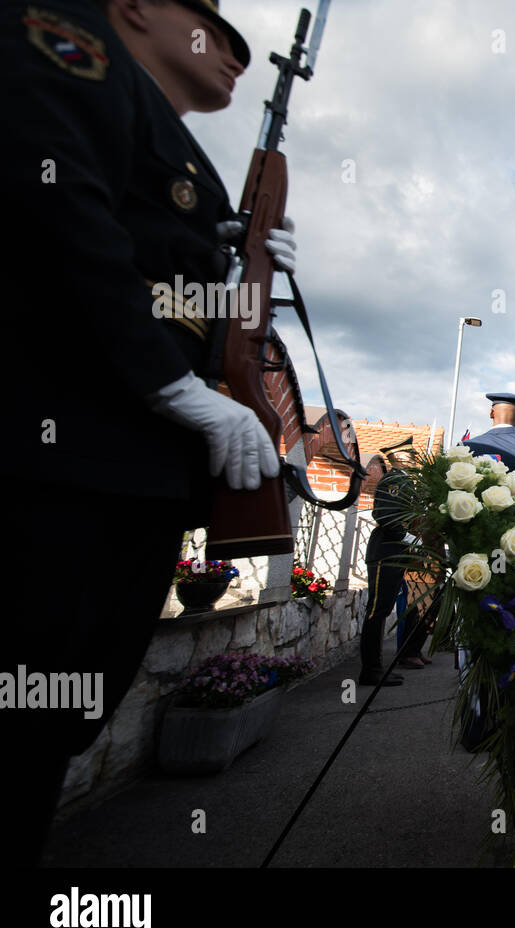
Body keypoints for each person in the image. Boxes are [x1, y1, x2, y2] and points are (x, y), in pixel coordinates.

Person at [1, 0, 297, 866]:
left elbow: (165, 283)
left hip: (120, 481)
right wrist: (173, 386)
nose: (236, 51)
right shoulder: (70, 48)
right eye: (212, 23)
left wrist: (243, 267)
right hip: (49, 467)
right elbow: (50, 206)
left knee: (49, 733)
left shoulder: (180, 150)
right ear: (133, 8)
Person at [358, 447, 431, 683]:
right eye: (410, 454)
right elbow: (385, 514)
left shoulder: (402, 479)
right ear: (398, 457)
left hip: (393, 552)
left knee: (381, 609)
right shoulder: (396, 479)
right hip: (386, 551)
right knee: (377, 610)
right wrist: (407, 537)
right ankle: (371, 669)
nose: (414, 459)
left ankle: (374, 667)